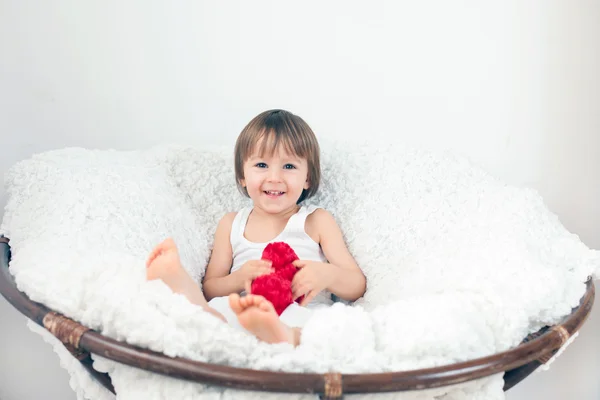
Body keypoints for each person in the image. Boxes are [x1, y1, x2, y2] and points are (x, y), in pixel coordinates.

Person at [146, 109, 366, 346]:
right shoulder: (231, 224)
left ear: (308, 178)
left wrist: (328, 275)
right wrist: (240, 278)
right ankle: (187, 296)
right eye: (261, 164)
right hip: (245, 314)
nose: (274, 177)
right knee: (218, 313)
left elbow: (357, 285)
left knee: (330, 330)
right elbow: (211, 288)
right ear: (242, 175)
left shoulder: (316, 221)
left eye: (289, 166)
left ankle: (284, 335)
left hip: (302, 314)